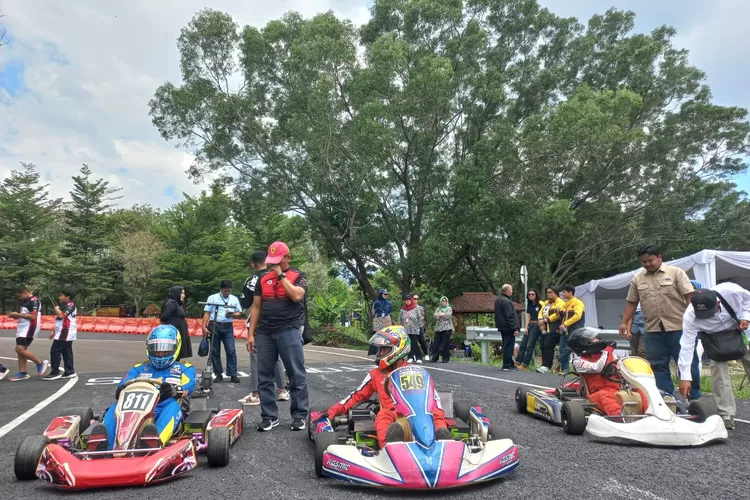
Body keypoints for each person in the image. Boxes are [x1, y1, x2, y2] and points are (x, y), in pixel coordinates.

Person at [316, 326, 450, 448]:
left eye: (385, 349)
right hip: (393, 412)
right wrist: (335, 410)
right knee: (383, 417)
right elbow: (357, 395)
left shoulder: (415, 371)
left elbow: (432, 396)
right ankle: (390, 445)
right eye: (380, 349)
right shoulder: (376, 375)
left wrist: (439, 411)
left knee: (437, 414)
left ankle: (441, 439)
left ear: (398, 349)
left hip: (420, 410)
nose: (380, 353)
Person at [89, 325, 196, 450]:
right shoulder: (139, 368)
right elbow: (124, 384)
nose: (160, 353)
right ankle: (105, 445)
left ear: (175, 348)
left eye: (165, 350)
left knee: (173, 407)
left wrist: (175, 390)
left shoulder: (184, 368)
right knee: (114, 408)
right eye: (155, 349)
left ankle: (156, 441)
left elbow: (190, 384)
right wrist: (121, 388)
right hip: (133, 409)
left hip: (162, 407)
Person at [618, 245, 701, 400]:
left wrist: (693, 320)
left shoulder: (676, 273)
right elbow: (632, 302)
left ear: (659, 257)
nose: (647, 264)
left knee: (688, 363)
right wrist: (624, 322)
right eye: (644, 262)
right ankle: (665, 398)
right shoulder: (637, 279)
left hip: (679, 327)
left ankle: (694, 398)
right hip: (652, 329)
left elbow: (690, 296)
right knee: (657, 365)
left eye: (650, 260)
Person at [246, 241, 310, 431]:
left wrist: (281, 276)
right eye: (272, 262)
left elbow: (297, 296)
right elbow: (256, 306)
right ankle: (269, 416)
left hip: (289, 330)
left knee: (296, 374)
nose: (274, 265)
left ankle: (299, 415)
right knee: (264, 375)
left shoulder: (298, 276)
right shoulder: (262, 279)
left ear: (288, 258)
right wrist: (251, 334)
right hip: (265, 332)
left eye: (278, 261)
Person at [678, 283, 750, 430]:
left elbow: (748, 300)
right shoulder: (690, 316)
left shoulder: (731, 291)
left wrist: (745, 316)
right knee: (719, 374)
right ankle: (726, 413)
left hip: (740, 331)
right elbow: (687, 346)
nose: (707, 317)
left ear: (718, 302)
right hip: (714, 340)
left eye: (710, 312)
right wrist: (685, 377)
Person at [239, 250, 289, 406]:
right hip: (277, 321)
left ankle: (256, 393)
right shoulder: (275, 275)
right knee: (277, 357)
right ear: (267, 262)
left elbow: (245, 304)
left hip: (258, 323)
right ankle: (282, 390)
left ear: (253, 264)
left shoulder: (251, 280)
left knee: (255, 356)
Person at [569, 328, 649, 417]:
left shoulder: (609, 354)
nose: (598, 340)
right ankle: (621, 417)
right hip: (596, 394)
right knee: (604, 395)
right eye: (594, 339)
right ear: (584, 343)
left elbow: (622, 367)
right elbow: (597, 368)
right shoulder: (578, 361)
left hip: (618, 390)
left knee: (641, 391)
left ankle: (651, 414)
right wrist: (608, 350)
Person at [202, 280, 242, 383]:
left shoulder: (234, 299)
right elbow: (207, 313)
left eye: (229, 291)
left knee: (231, 350)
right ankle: (218, 374)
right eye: (225, 291)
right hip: (214, 325)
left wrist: (232, 314)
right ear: (220, 289)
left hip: (228, 326)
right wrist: (203, 326)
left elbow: (239, 312)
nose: (227, 293)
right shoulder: (212, 298)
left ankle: (233, 374)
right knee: (215, 351)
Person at [7, 285, 48, 381]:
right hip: (22, 328)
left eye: (19, 296)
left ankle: (39, 362)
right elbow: (22, 314)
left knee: (19, 349)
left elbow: (33, 317)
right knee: (22, 350)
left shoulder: (34, 301)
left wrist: (17, 314)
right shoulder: (23, 301)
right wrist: (14, 316)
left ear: (25, 292)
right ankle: (23, 372)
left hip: (29, 328)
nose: (19, 298)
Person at [43, 285, 78, 381]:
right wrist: (53, 330)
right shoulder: (64, 306)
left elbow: (62, 316)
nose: (59, 297)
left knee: (55, 351)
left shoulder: (70, 305)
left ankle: (55, 372)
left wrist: (56, 309)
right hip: (63, 331)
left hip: (65, 331)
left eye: (62, 295)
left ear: (68, 297)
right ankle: (69, 371)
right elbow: (59, 320)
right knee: (66, 352)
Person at [551, 284, 585, 374]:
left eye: (564, 292)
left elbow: (577, 316)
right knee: (562, 349)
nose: (563, 294)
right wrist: (559, 312)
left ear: (571, 292)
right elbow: (563, 316)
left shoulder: (578, 303)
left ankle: (559, 362)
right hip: (565, 330)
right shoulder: (566, 304)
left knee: (569, 348)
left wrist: (565, 324)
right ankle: (564, 369)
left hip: (575, 329)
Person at [537, 286, 565, 374]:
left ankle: (547, 366)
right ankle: (543, 364)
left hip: (554, 327)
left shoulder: (560, 302)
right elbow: (540, 312)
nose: (549, 294)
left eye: (551, 292)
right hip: (544, 327)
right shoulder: (546, 303)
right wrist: (540, 320)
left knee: (548, 345)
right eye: (548, 292)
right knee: (542, 345)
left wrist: (547, 320)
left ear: (556, 293)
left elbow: (558, 314)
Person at [160, 286, 192, 361]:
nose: (183, 295)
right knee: (174, 351)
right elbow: (164, 317)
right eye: (181, 293)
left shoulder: (177, 303)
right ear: (176, 293)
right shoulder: (171, 304)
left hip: (178, 331)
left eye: (184, 293)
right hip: (173, 333)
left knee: (177, 352)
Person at [494, 284, 519, 372]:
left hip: (502, 326)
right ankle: (507, 365)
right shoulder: (506, 301)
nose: (512, 291)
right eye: (511, 290)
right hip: (508, 327)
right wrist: (514, 328)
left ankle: (508, 364)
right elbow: (509, 316)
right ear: (507, 291)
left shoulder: (498, 300)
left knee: (506, 344)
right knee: (509, 346)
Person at [516, 289, 542, 370]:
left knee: (529, 345)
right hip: (530, 324)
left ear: (536, 295)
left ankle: (525, 364)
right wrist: (526, 327)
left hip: (537, 325)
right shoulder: (530, 304)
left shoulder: (540, 304)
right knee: (523, 344)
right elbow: (528, 316)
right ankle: (518, 362)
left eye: (532, 294)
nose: (531, 296)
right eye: (529, 294)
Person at [399, 294, 423, 363]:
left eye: (409, 300)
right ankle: (410, 356)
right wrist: (401, 326)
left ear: (411, 300)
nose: (407, 301)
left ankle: (419, 357)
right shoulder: (403, 309)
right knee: (408, 343)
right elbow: (400, 319)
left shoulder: (416, 308)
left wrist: (419, 326)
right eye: (406, 300)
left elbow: (420, 318)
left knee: (414, 343)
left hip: (414, 329)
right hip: (406, 329)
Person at [369, 289, 393, 356]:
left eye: (386, 294)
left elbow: (390, 311)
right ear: (381, 294)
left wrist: (385, 314)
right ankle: (378, 354)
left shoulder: (389, 302)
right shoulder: (376, 303)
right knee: (378, 339)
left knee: (387, 339)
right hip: (378, 324)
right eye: (384, 294)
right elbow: (374, 312)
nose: (386, 295)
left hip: (387, 323)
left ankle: (387, 353)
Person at [431, 296, 453, 363]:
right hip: (438, 328)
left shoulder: (449, 308)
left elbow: (448, 316)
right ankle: (435, 357)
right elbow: (435, 316)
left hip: (447, 328)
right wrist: (442, 315)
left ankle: (445, 358)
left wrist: (440, 315)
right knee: (436, 343)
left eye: (445, 301)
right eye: (443, 301)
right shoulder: (438, 308)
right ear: (441, 302)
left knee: (445, 343)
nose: (444, 302)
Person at [412, 294, 429, 362]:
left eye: (417, 299)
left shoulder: (420, 308)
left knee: (422, 340)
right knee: (413, 342)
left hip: (419, 326)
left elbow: (422, 317)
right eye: (414, 298)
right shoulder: (409, 308)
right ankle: (415, 355)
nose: (416, 300)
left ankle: (426, 354)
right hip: (411, 328)